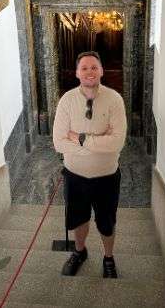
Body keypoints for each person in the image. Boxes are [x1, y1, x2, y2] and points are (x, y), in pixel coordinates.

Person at [53, 51, 127, 279]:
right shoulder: (66, 100)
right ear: (77, 73)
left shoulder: (115, 99)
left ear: (102, 71)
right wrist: (98, 142)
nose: (89, 72)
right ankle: (79, 252)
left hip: (107, 178)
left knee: (106, 222)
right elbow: (58, 142)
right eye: (84, 68)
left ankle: (108, 257)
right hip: (75, 177)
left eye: (94, 67)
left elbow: (117, 142)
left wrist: (81, 138)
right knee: (78, 219)